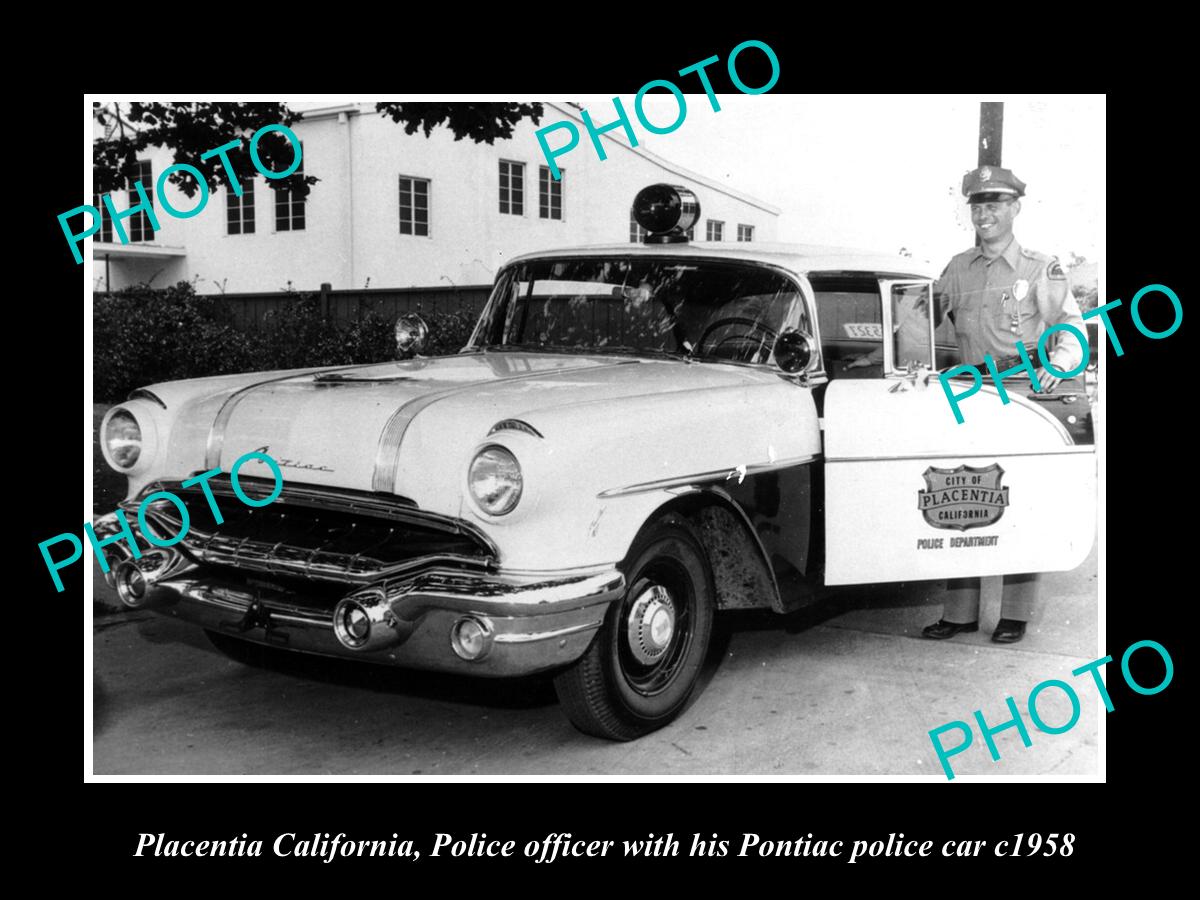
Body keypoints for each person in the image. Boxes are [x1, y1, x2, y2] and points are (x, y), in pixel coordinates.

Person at [922, 164, 1085, 644]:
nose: (985, 213)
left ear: (1016, 207)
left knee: (1018, 502)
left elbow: (1071, 328)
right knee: (964, 494)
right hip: (970, 399)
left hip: (1021, 398)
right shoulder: (957, 268)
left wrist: (1060, 362)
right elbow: (917, 322)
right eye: (977, 204)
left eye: (995, 203)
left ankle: (1014, 613)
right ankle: (960, 612)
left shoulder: (1040, 267)